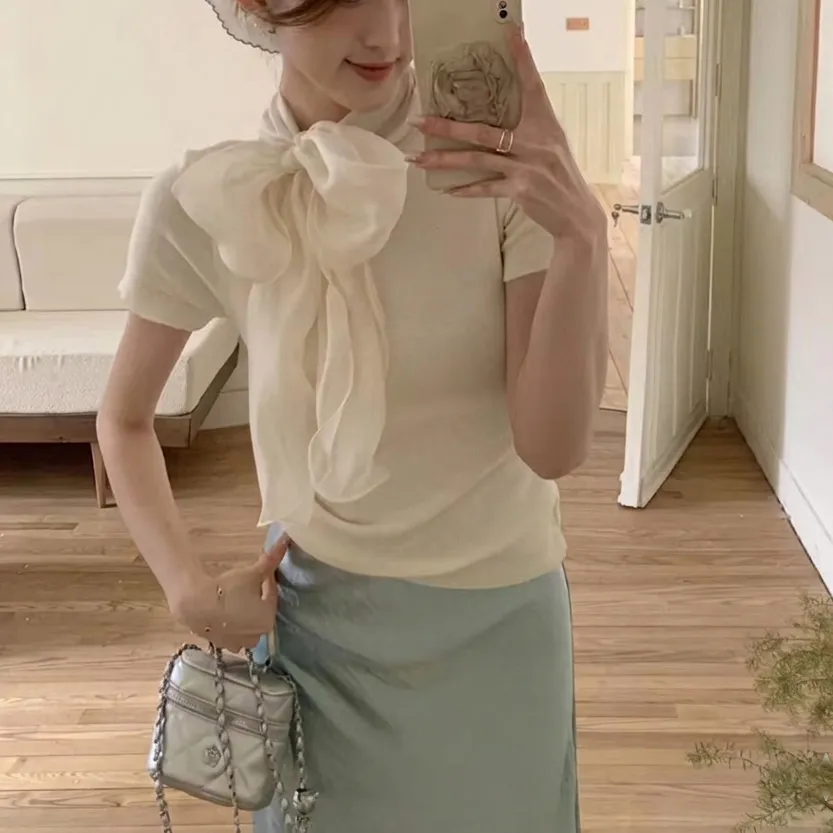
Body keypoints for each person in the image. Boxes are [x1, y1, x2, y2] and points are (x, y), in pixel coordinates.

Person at [97, 0, 609, 830]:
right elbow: (123, 420)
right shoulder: (216, 194)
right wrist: (187, 587)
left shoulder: (491, 164)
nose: (387, 35)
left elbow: (552, 447)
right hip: (315, 626)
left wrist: (582, 236)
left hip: (498, 618)